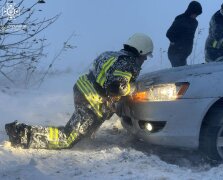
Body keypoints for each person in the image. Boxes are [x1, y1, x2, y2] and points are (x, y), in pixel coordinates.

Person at [5, 33, 154, 149]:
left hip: (83, 89)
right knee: (67, 138)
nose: (145, 60)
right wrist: (132, 88)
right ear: (140, 50)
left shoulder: (111, 54)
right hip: (91, 100)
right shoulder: (129, 63)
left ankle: (81, 133)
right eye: (145, 56)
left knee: (85, 132)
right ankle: (21, 134)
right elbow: (117, 88)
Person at [166, 1, 202, 67]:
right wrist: (175, 43)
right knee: (179, 73)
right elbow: (169, 33)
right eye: (195, 13)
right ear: (190, 11)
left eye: (197, 15)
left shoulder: (194, 22)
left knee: (183, 70)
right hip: (175, 53)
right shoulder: (180, 20)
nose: (196, 16)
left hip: (183, 54)